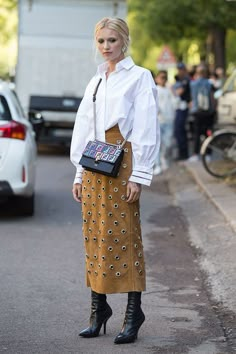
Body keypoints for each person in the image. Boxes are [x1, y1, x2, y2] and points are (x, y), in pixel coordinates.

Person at [70, 17, 160, 344]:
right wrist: (79, 172)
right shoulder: (95, 81)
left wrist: (139, 174)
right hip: (95, 163)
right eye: (101, 41)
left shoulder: (140, 77)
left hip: (122, 162)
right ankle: (99, 309)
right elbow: (84, 127)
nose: (106, 47)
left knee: (125, 236)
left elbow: (148, 127)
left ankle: (133, 312)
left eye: (112, 40)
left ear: (124, 40)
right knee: (95, 237)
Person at [189, 64, 215, 161]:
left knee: (196, 133)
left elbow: (192, 99)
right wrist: (213, 110)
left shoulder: (193, 84)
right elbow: (212, 98)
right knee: (208, 133)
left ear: (197, 73)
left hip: (197, 112)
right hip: (208, 113)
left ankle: (196, 154)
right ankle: (208, 154)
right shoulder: (210, 83)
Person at [154, 70, 175, 174]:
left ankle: (163, 158)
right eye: (161, 77)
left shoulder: (169, 90)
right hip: (158, 121)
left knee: (168, 143)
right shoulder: (154, 90)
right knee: (158, 144)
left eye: (165, 77)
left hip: (169, 120)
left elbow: (175, 101)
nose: (163, 79)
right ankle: (158, 165)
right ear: (157, 79)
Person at [172, 62, 191, 160]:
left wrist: (172, 89)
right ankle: (182, 153)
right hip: (180, 107)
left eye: (181, 69)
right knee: (179, 131)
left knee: (180, 130)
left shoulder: (186, 79)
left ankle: (184, 154)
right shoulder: (182, 79)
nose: (179, 71)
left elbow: (179, 92)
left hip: (183, 108)